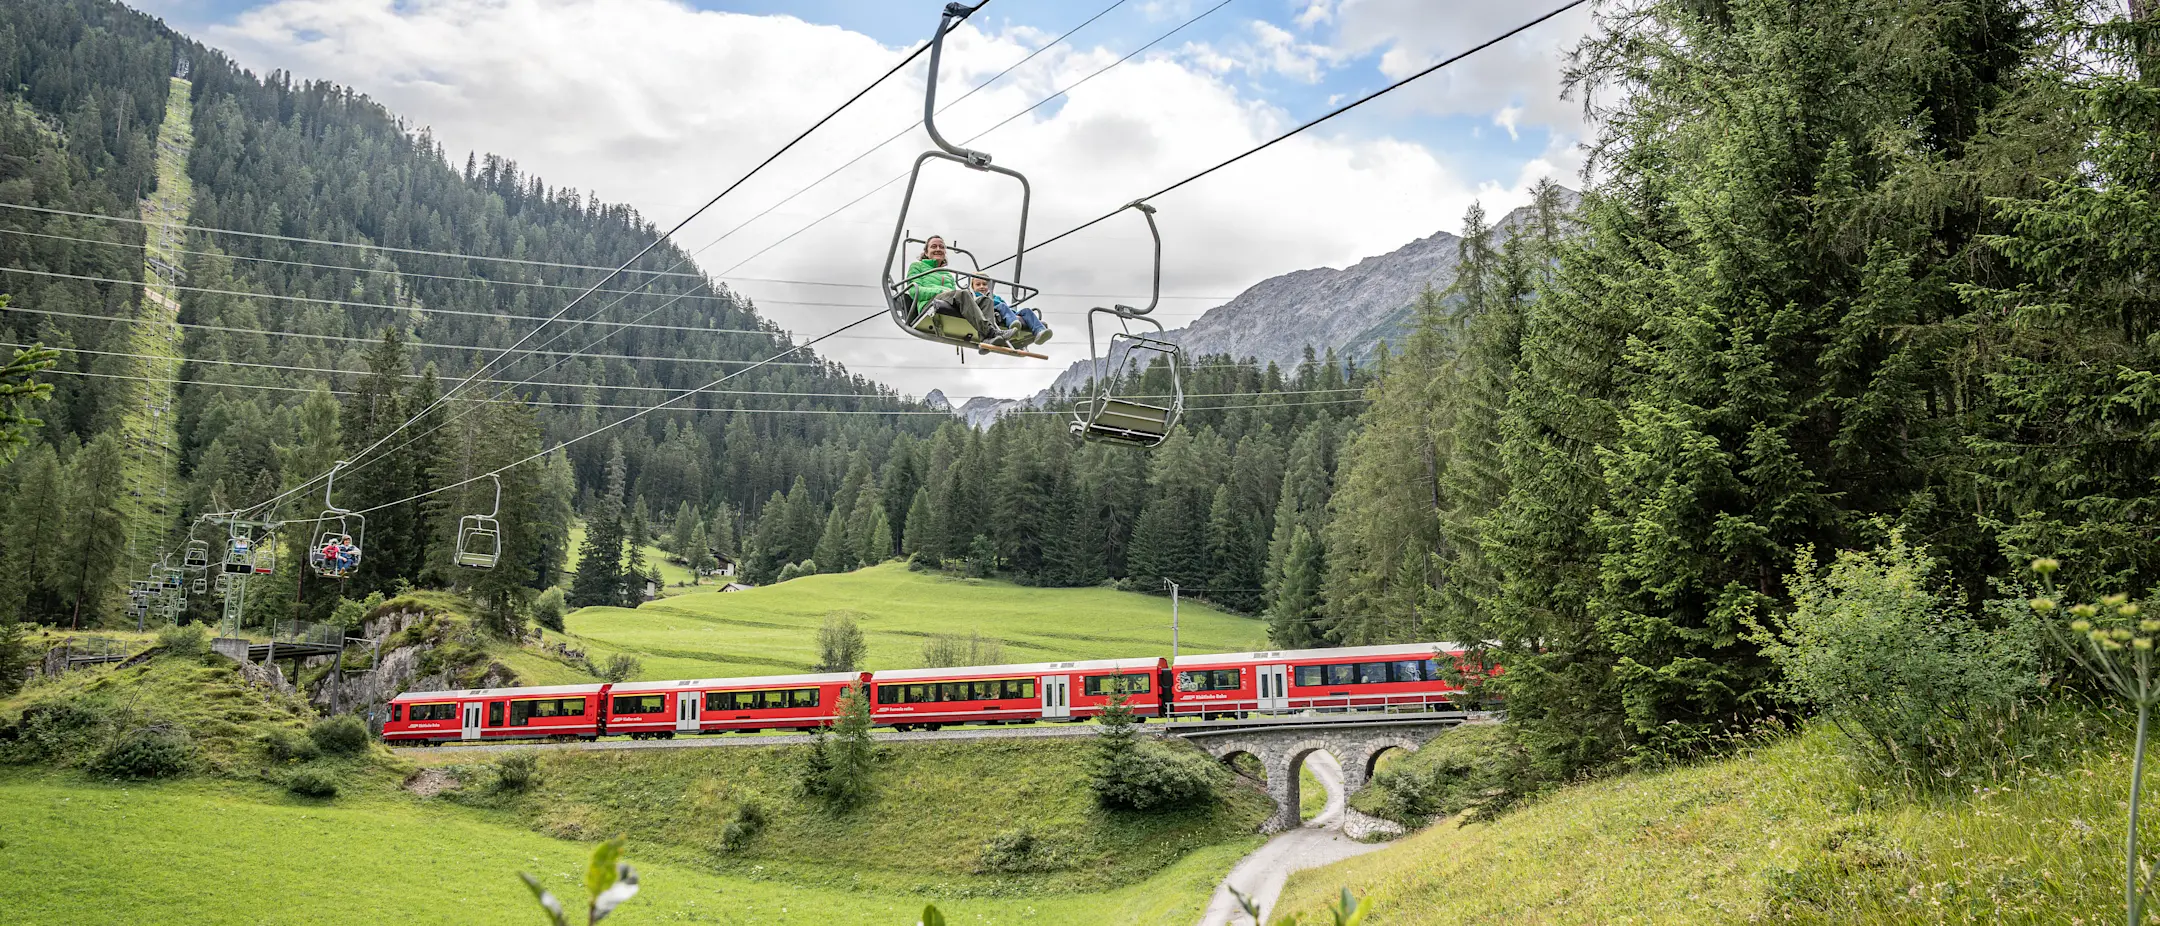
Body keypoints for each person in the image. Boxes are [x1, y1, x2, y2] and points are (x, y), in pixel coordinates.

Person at [904, 235, 1011, 348]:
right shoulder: (917, 266)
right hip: (928, 303)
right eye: (933, 246)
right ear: (926, 252)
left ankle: (987, 339)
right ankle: (991, 332)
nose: (938, 249)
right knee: (963, 293)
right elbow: (914, 290)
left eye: (941, 247)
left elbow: (953, 295)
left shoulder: (947, 274)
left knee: (985, 300)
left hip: (947, 299)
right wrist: (940, 290)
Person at [970, 276, 1052, 348]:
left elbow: (1006, 306)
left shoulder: (995, 297)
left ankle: (1040, 332)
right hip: (994, 311)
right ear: (972, 287)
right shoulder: (975, 297)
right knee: (1002, 306)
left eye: (984, 284)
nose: (982, 287)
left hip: (1007, 312)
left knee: (1026, 311)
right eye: (978, 284)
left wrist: (1012, 312)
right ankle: (1013, 323)